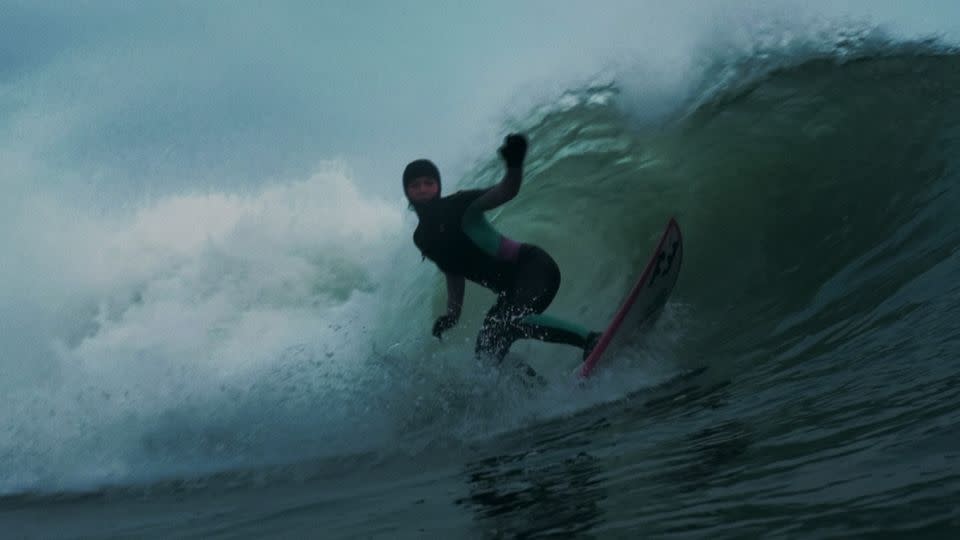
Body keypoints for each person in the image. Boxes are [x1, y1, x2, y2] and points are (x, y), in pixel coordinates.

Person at [403, 133, 601, 379]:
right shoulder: (422, 238)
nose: (422, 189)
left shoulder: (459, 204)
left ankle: (592, 340)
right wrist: (452, 316)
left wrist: (514, 164)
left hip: (533, 268)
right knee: (486, 353)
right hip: (510, 291)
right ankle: (536, 390)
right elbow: (452, 272)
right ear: (407, 192)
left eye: (428, 182)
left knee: (512, 320)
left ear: (438, 185)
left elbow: (506, 191)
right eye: (415, 185)